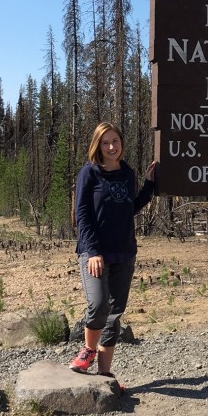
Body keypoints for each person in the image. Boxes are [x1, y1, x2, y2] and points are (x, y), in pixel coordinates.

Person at [69, 122, 156, 383]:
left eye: (115, 141)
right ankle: (88, 350)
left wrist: (149, 186)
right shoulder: (90, 173)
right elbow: (82, 214)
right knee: (98, 304)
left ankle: (105, 373)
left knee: (115, 312)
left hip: (124, 251)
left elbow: (130, 206)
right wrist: (93, 251)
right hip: (95, 252)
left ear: (121, 144)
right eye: (105, 142)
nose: (111, 147)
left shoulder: (127, 173)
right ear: (98, 145)